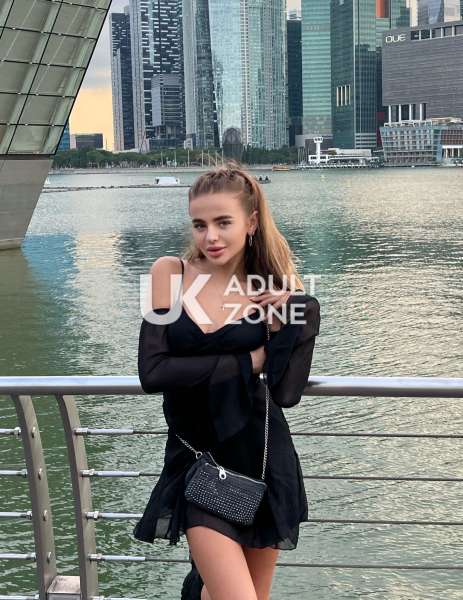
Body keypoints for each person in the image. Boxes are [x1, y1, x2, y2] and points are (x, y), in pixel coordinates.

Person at [134, 165, 321, 600]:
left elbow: (285, 392)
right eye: (200, 225)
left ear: (250, 222)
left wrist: (303, 311)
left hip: (263, 459)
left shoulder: (269, 286)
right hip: (197, 460)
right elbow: (153, 371)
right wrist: (248, 360)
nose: (210, 237)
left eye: (223, 222)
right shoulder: (170, 274)